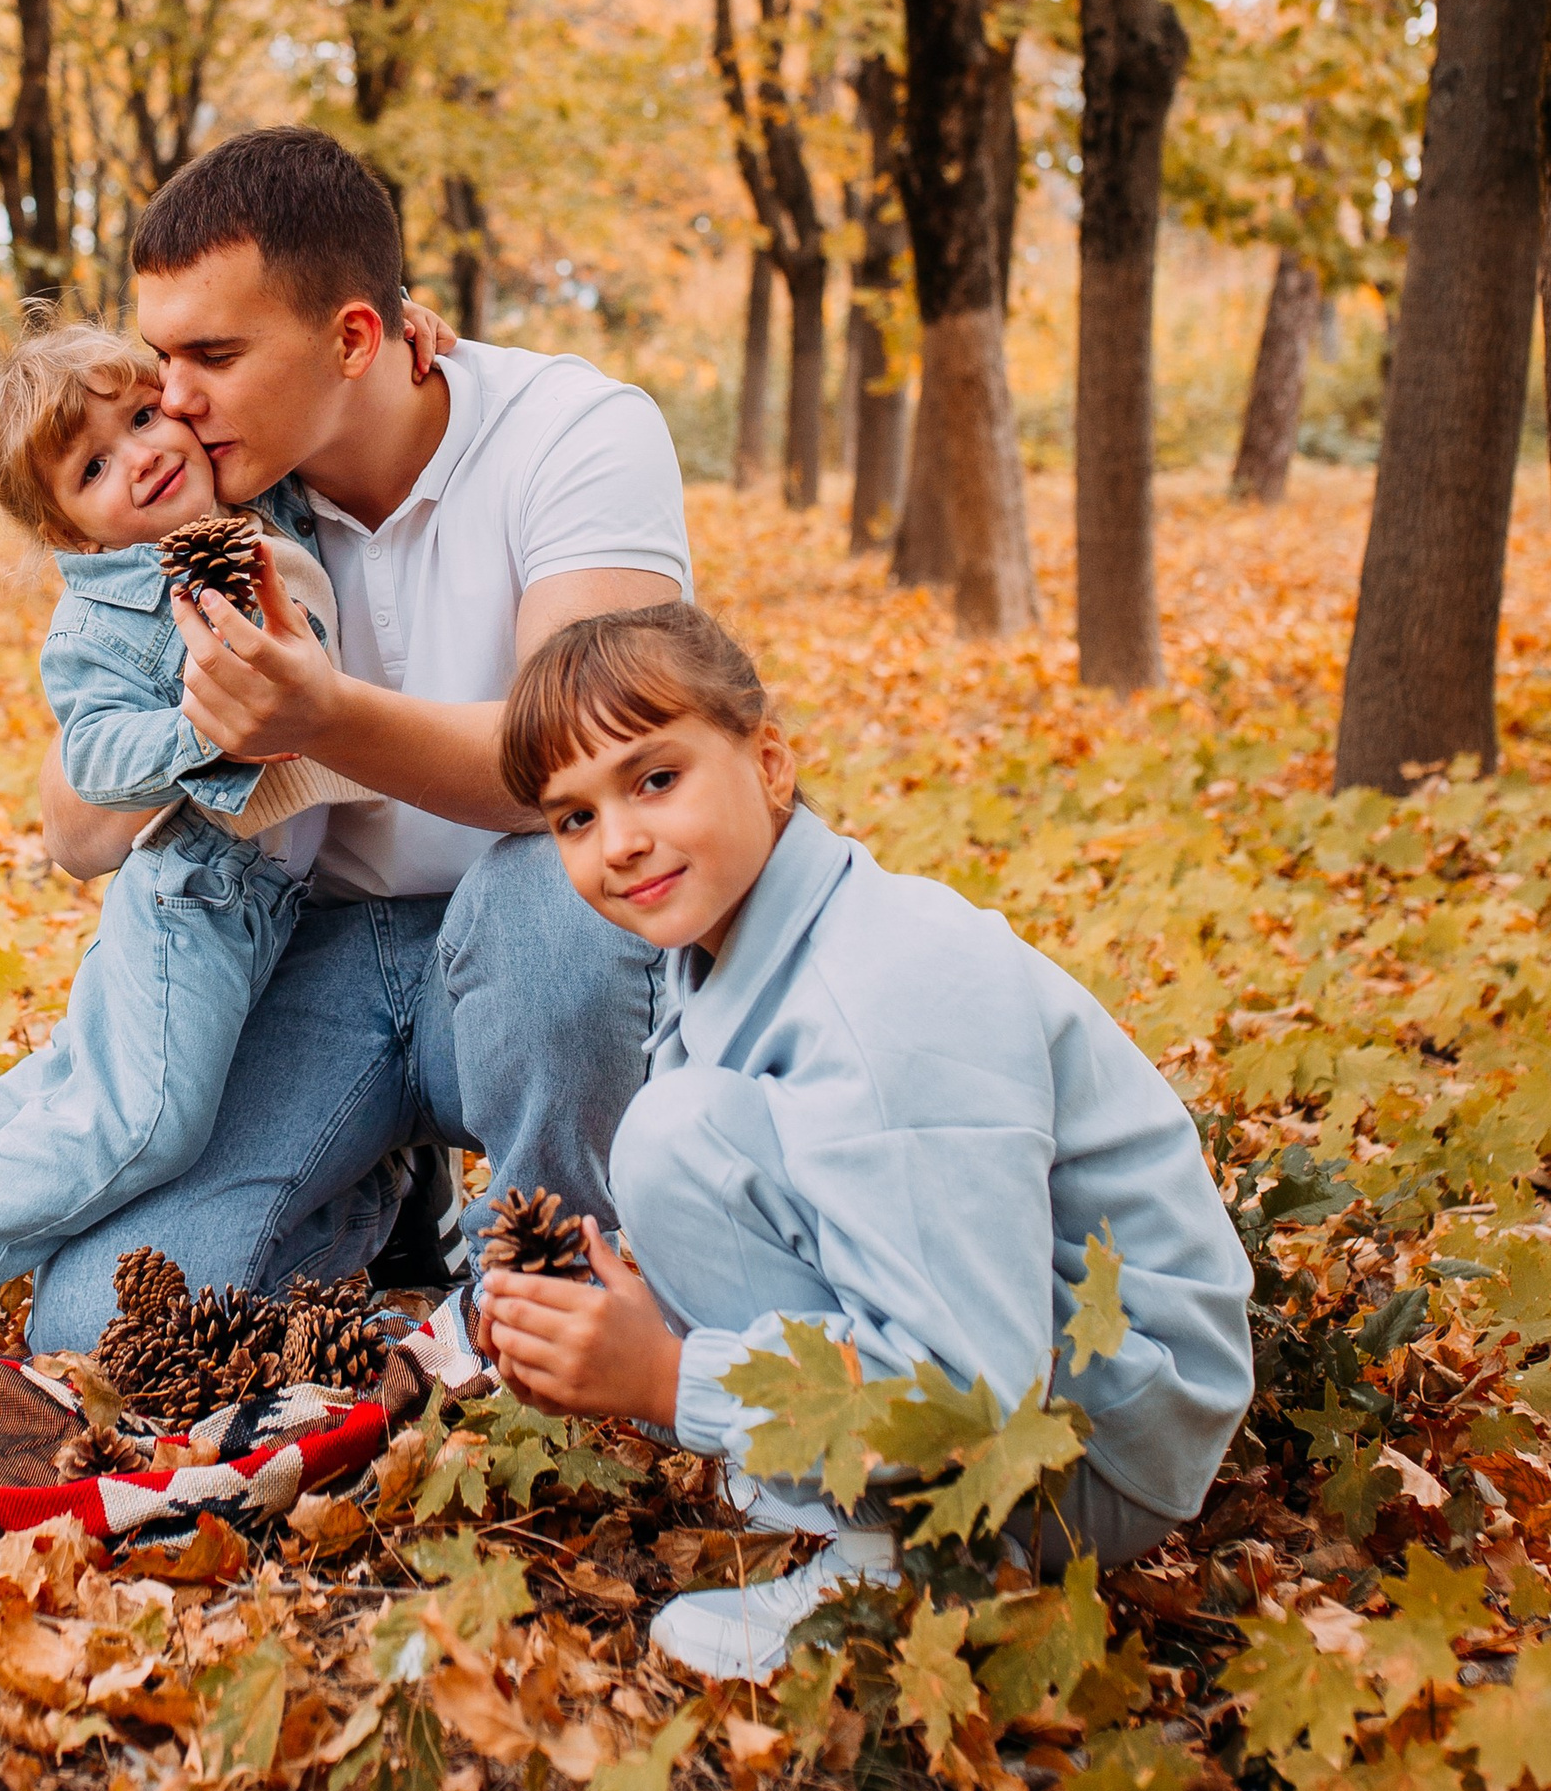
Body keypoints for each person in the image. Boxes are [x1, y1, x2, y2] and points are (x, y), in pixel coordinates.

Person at [476, 600, 1256, 1675]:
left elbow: (977, 1398)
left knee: (677, 1131)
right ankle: (843, 1481)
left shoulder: (884, 988)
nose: (619, 841)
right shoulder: (727, 939)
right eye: (572, 816)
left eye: (655, 778)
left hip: (1095, 1442)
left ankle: (914, 1569)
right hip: (1042, 1371)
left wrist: (666, 1377)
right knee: (675, 1134)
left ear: (771, 760)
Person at [22, 126, 693, 1353]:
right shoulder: (226, 495)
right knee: (94, 1326)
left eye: (211, 355)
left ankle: (566, 1278)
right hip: (316, 957)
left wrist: (321, 718)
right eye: (161, 355)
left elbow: (595, 768)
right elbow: (74, 831)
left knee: (559, 893)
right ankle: (382, 1205)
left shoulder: (575, 431)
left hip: (534, 938)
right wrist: (183, 730)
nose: (170, 399)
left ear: (354, 337)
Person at [0, 323, 373, 1329]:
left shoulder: (255, 511)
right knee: (147, 1115)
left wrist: (406, 326)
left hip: (267, 906)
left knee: (73, 1071)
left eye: (144, 415)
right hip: (197, 898)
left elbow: (324, 405)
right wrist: (204, 722)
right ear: (71, 528)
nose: (144, 453)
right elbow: (95, 758)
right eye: (95, 465)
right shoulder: (101, 622)